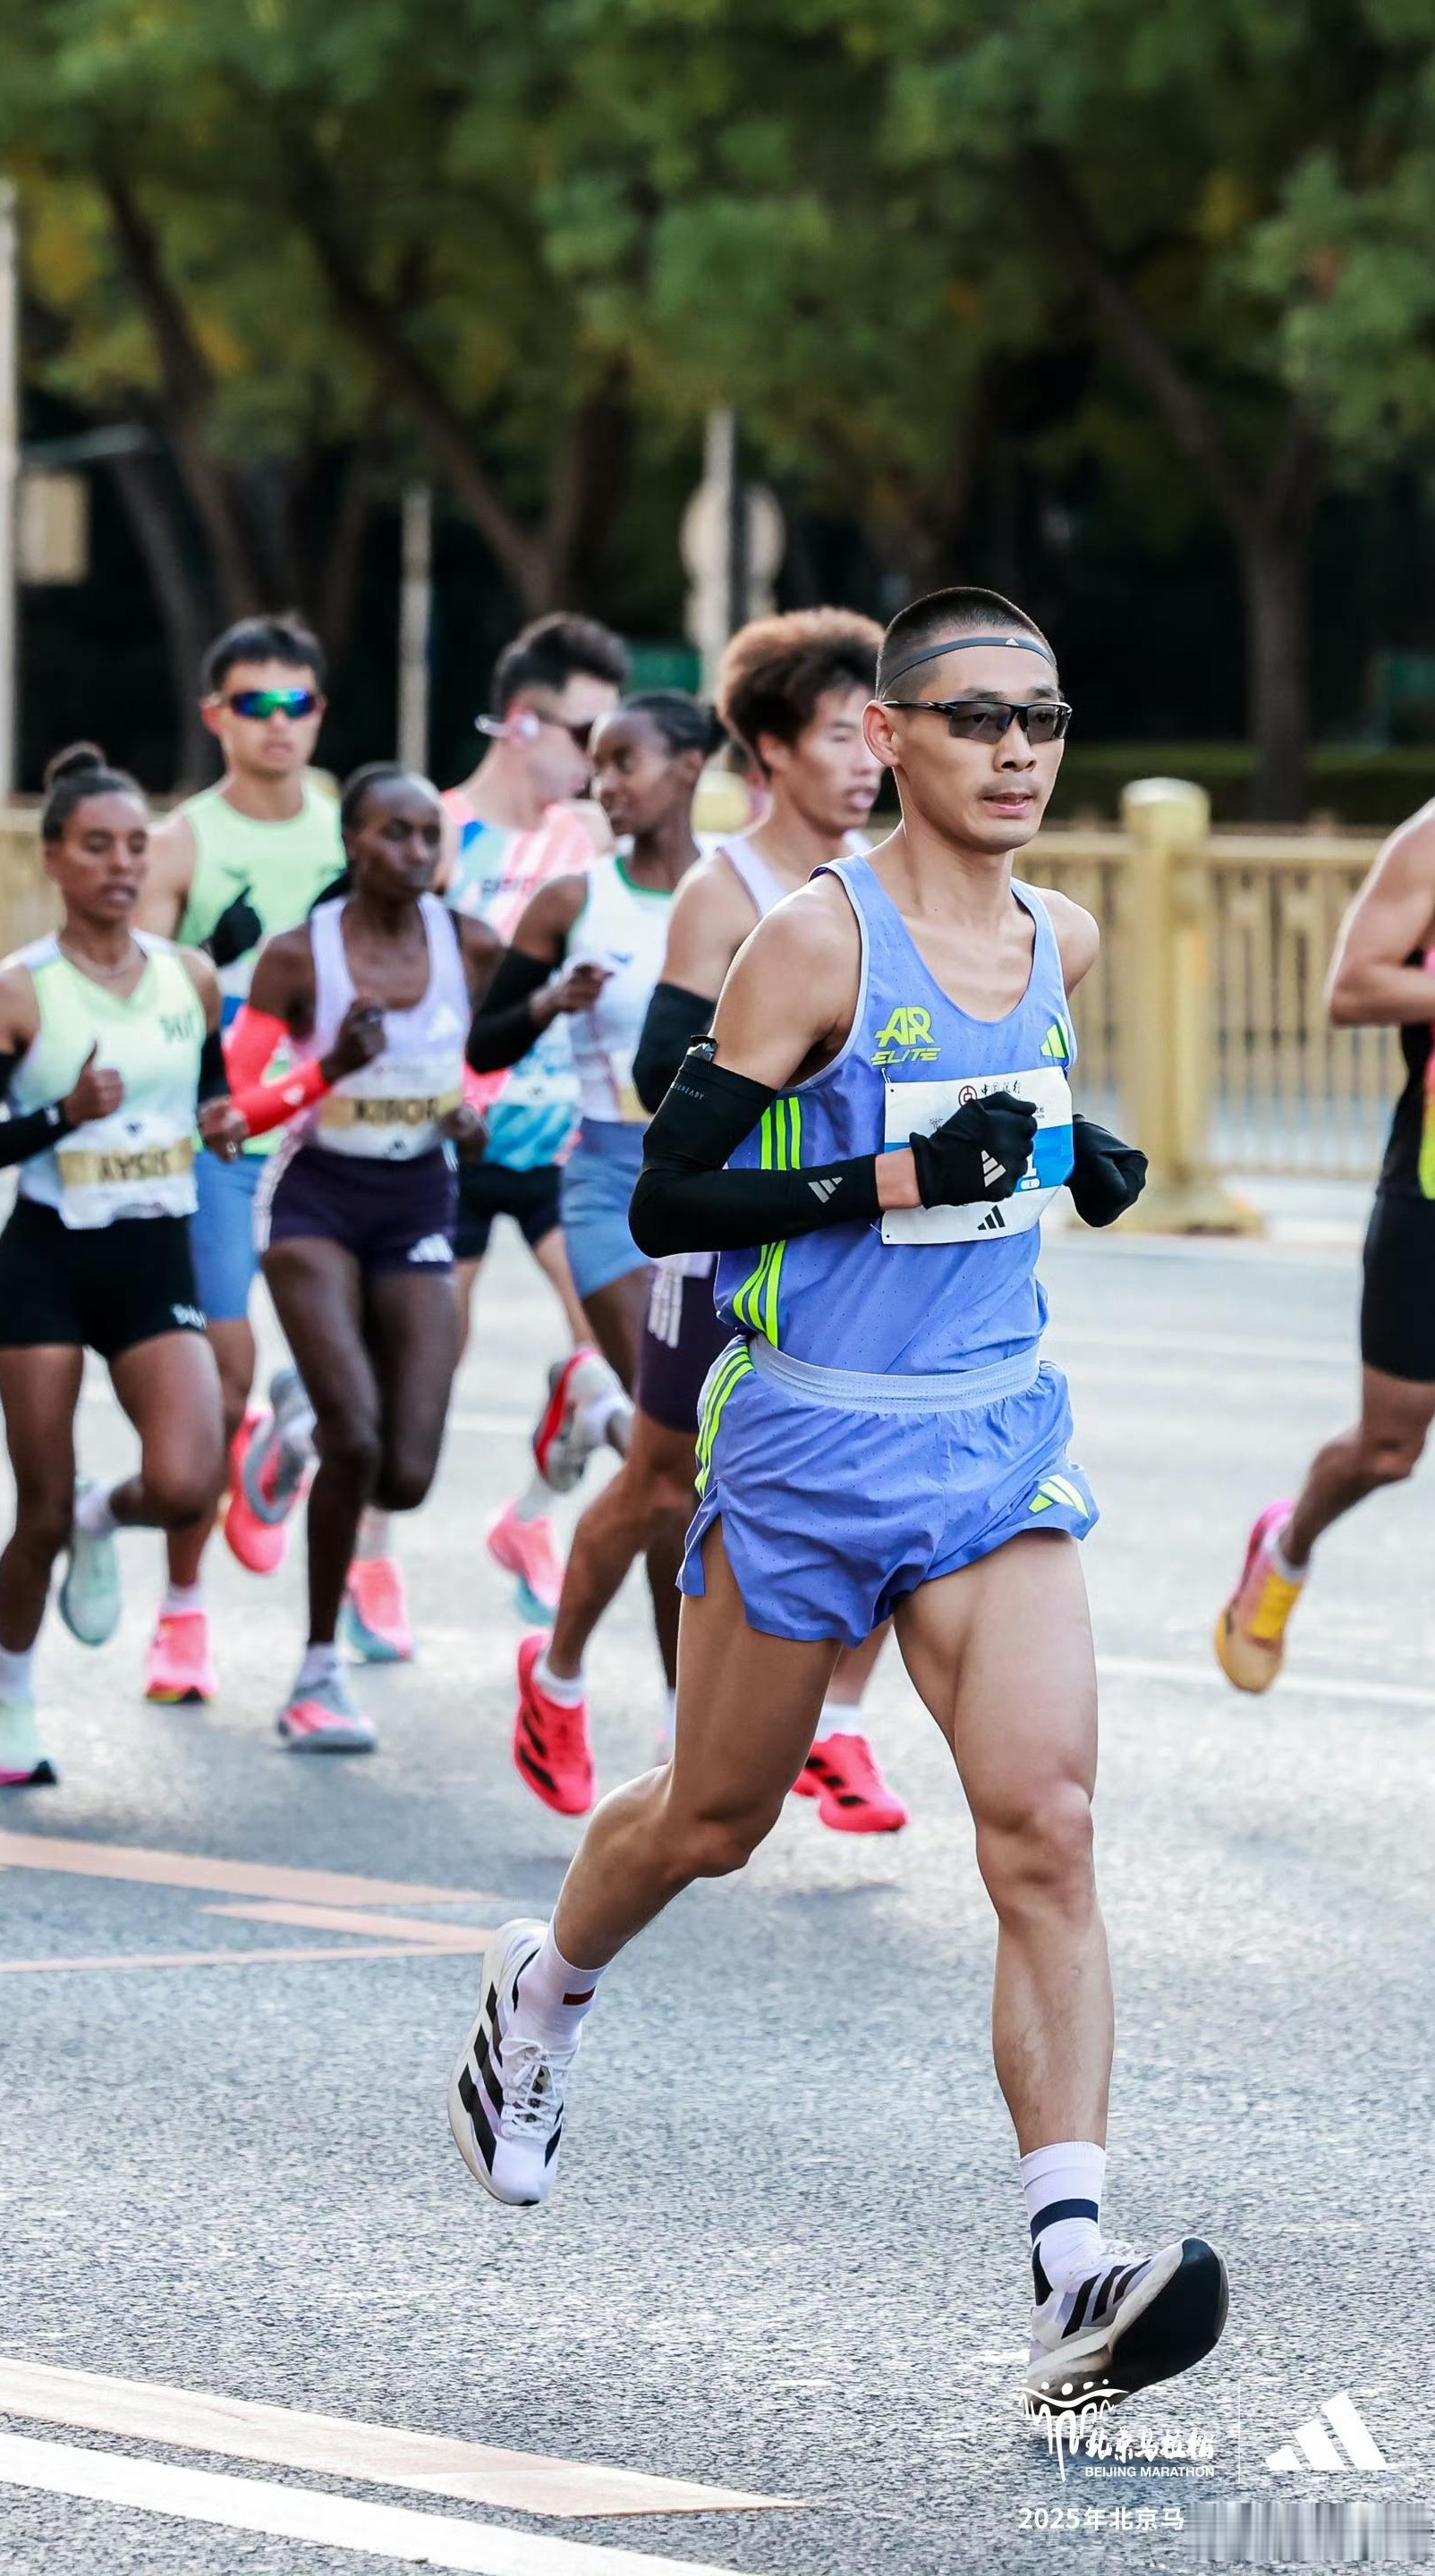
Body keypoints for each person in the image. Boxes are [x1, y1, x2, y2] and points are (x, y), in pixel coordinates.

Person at [449, 587, 1228, 2420]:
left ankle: (1070, 2265)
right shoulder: (813, 942)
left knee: (1045, 1826)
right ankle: (542, 1993)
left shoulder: (1065, 934)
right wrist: (894, 1167)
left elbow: (1004, 1118)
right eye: (977, 720)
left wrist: (1062, 1147)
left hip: (991, 1438)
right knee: (714, 1818)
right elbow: (674, 1200)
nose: (1019, 753)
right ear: (890, 737)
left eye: (1043, 720)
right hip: (804, 1441)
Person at [510, 614, 907, 1828]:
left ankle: (835, 1725)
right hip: (719, 1229)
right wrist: (795, 1060)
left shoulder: (890, 883)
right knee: (662, 1478)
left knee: (905, 1477)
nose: (866, 762)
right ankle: (558, 1675)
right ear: (771, 750)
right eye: (840, 734)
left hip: (849, 1236)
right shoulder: (721, 890)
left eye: (876, 737)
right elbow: (656, 1070)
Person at [0, 746, 233, 1788]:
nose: (120, 865)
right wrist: (60, 1114)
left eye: (134, 847)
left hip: (154, 1250)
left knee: (188, 1479)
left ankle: (100, 1515)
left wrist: (220, 1121)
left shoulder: (186, 977)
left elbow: (209, 1092)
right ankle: (8, 1703)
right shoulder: (15, 993)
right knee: (32, 1507)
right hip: (46, 1266)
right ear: (54, 860)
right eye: (97, 847)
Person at [466, 692, 712, 1795]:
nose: (606, 784)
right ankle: (577, 1686)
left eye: (628, 763)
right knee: (677, 1463)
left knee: (687, 1476)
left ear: (693, 766)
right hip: (611, 1183)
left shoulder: (749, 899)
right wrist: (548, 1002)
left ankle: (670, 1713)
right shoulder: (574, 899)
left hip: (717, 1196)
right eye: (598, 765)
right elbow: (482, 1033)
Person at [225, 765, 499, 1747]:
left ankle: (290, 1429)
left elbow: (489, 1062)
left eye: (431, 837)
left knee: (408, 1472)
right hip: (315, 1202)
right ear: (352, 843)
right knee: (359, 1436)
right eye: (395, 834)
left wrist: (477, 1115)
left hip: (420, 1197)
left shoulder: (471, 946)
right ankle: (313, 1675)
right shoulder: (298, 958)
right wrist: (329, 1069)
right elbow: (230, 1107)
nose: (417, 854)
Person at [134, 614, 345, 1704]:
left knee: (372, 1379)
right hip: (221, 1136)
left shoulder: (355, 828)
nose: (279, 725)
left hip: (335, 1139)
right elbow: (136, 988)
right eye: (255, 705)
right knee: (211, 1379)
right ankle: (182, 1614)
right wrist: (215, 964)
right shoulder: (181, 842)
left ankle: (343, 1594)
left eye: (297, 703)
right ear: (215, 715)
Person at [1215, 795, 1435, 1691]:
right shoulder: (1433, 838)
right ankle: (1286, 1547)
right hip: (1433, 1183)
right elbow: (1351, 988)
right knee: (1389, 1449)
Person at [441, 612, 628, 1630]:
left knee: (617, 1354)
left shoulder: (590, 837)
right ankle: (365, 1563)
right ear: (522, 724)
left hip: (565, 1145)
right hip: (451, 1148)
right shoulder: (434, 831)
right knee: (424, 1379)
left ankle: (531, 1517)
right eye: (583, 736)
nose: (599, 761)